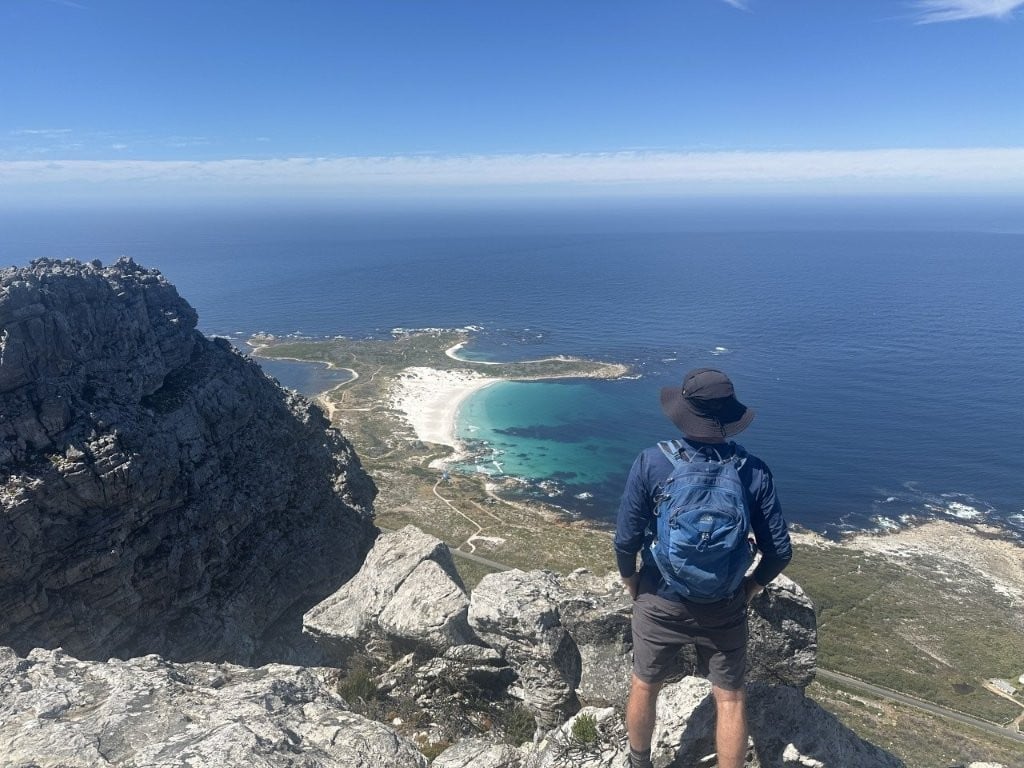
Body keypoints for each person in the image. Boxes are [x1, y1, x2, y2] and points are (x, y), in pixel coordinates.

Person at [614, 368, 792, 768]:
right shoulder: (753, 472)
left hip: (659, 596)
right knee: (730, 698)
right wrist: (748, 588)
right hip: (725, 603)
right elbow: (779, 551)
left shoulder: (651, 463)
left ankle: (639, 761)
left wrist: (633, 584)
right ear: (728, 419)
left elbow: (625, 541)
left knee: (645, 684)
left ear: (682, 413)